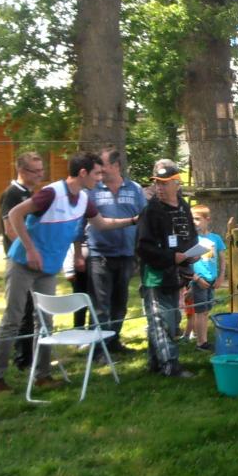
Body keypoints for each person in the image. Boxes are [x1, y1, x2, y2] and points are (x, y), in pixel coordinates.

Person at [0, 151, 141, 394]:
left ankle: (42, 375)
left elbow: (101, 224)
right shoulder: (52, 193)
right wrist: (30, 249)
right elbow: (15, 215)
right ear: (83, 173)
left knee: (45, 322)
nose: (101, 178)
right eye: (97, 173)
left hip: (47, 268)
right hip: (23, 263)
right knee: (13, 319)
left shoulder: (85, 200)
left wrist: (133, 220)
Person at [135, 160, 198, 377]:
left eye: (164, 184)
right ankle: (170, 365)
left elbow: (190, 236)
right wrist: (172, 257)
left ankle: (154, 363)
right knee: (160, 320)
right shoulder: (150, 211)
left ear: (176, 184)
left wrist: (192, 253)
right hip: (155, 276)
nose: (159, 188)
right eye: (157, 184)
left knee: (170, 321)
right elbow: (143, 247)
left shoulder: (183, 207)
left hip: (176, 275)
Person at [85, 146, 146, 356]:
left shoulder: (135, 189)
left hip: (127, 255)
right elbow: (81, 223)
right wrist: (76, 253)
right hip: (99, 255)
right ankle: (98, 350)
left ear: (116, 165)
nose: (99, 169)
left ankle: (113, 342)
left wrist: (140, 252)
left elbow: (144, 220)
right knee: (101, 305)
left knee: (120, 302)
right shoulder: (92, 190)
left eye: (103, 164)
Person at [0, 151, 43, 370]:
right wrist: (29, 249)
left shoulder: (30, 192)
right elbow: (10, 229)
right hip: (20, 260)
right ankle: (23, 359)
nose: (40, 175)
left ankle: (32, 356)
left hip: (33, 259)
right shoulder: (12, 194)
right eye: (36, 171)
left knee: (34, 309)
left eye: (42, 171)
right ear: (22, 171)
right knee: (21, 312)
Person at [188, 204, 225, 351]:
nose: (194, 222)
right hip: (198, 280)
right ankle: (201, 342)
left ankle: (202, 338)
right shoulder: (191, 239)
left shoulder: (215, 238)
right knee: (199, 311)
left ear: (207, 219)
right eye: (192, 219)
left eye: (197, 219)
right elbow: (186, 262)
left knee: (206, 310)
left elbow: (222, 259)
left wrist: (221, 276)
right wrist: (196, 278)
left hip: (212, 279)